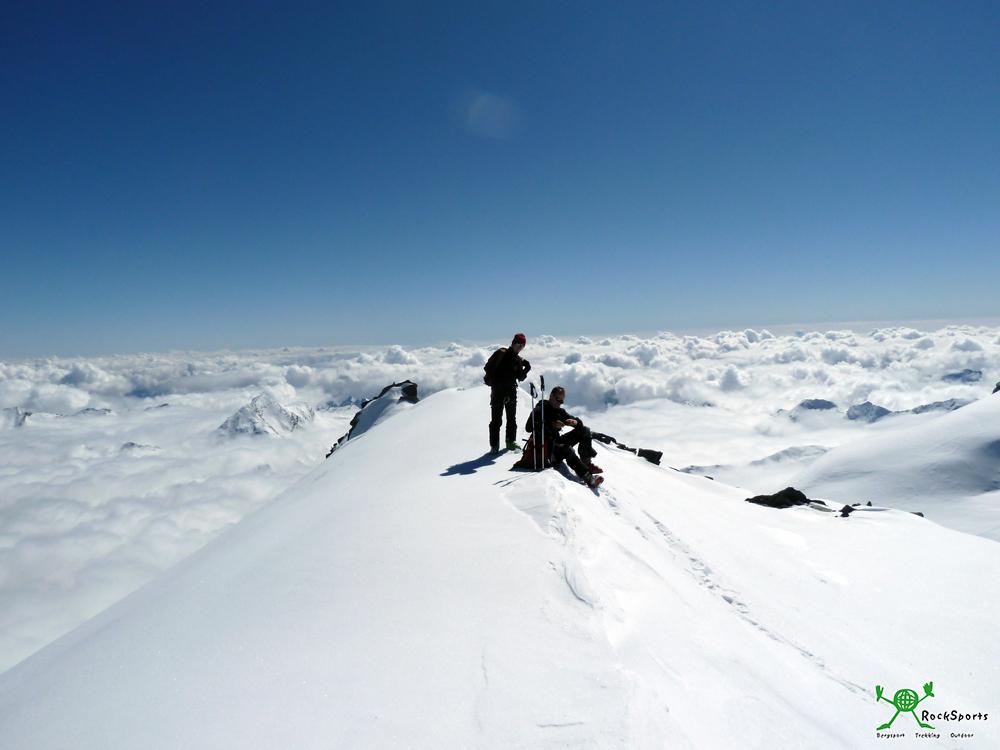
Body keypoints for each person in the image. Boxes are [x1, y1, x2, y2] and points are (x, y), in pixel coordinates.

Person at [524, 385, 603, 487]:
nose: (559, 403)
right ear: (551, 396)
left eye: (562, 401)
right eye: (558, 399)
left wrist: (575, 422)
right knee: (566, 449)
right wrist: (551, 425)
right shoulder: (540, 409)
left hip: (556, 442)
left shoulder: (560, 412)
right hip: (546, 448)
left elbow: (579, 424)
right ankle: (589, 478)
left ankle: (586, 464)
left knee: (585, 430)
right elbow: (528, 427)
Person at [484, 333, 531, 453]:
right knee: (496, 420)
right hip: (498, 391)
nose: (520, 348)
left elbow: (520, 377)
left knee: (511, 419)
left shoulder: (518, 360)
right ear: (513, 343)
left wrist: (526, 368)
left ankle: (510, 442)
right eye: (518, 344)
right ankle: (494, 446)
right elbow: (488, 367)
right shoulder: (501, 353)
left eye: (522, 346)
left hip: (510, 391)